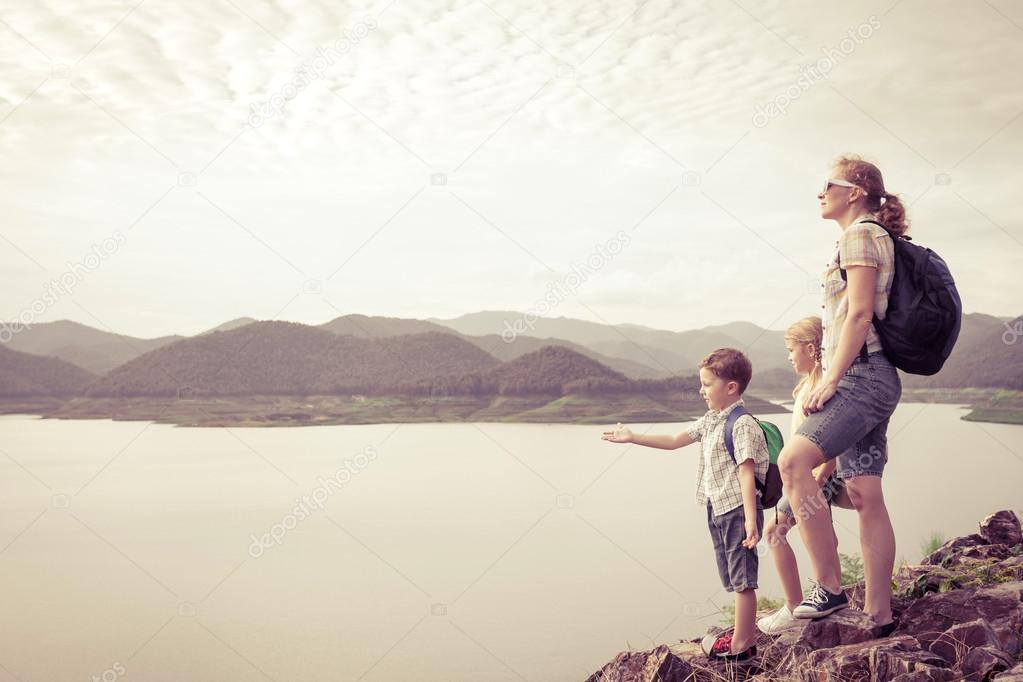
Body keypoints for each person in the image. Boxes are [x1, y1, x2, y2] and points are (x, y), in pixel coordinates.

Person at [777, 155, 905, 637]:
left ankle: (828, 587)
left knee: (792, 463)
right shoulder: (872, 234)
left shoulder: (859, 234)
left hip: (861, 377)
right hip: (875, 376)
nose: (819, 192)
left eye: (827, 184)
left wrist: (830, 379)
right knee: (863, 492)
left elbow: (859, 314)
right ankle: (879, 614)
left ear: (855, 192)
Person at [601, 348, 769, 661]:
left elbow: (747, 473)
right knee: (733, 576)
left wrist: (750, 520)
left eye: (707, 384)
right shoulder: (711, 421)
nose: (701, 390)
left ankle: (742, 645)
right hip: (718, 508)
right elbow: (676, 440)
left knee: (743, 579)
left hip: (737, 511)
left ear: (730, 387)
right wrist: (632, 436)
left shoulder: (742, 423)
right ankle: (739, 634)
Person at [757, 316, 847, 634]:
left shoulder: (825, 388)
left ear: (811, 348)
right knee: (825, 535)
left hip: (818, 476)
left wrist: (821, 479)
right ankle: (833, 595)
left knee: (774, 532)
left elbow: (834, 439)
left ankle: (794, 607)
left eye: (791, 350)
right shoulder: (806, 386)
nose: (789, 357)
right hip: (807, 477)